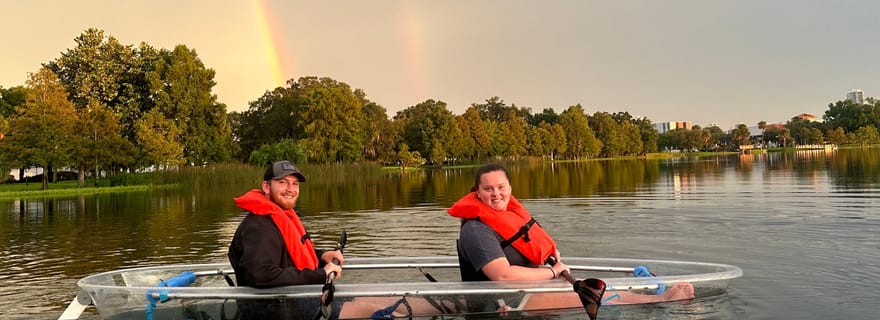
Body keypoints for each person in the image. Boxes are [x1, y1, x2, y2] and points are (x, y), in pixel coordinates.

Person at [448, 163, 695, 312]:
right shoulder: (476, 230)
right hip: (502, 303)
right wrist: (552, 272)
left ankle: (646, 297)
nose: (496, 194)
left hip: (526, 290)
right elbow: (503, 276)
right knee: (584, 295)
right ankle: (660, 299)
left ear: (510, 189)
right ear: (477, 193)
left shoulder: (509, 216)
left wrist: (550, 261)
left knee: (584, 286)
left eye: (501, 187)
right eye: (488, 189)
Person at [228, 160, 344, 320]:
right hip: (276, 312)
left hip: (292, 303)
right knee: (370, 307)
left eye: (295, 184)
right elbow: (261, 274)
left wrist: (322, 255)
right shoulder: (258, 227)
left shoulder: (279, 218)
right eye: (283, 182)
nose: (290, 189)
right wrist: (321, 274)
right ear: (266, 187)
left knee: (371, 304)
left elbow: (290, 253)